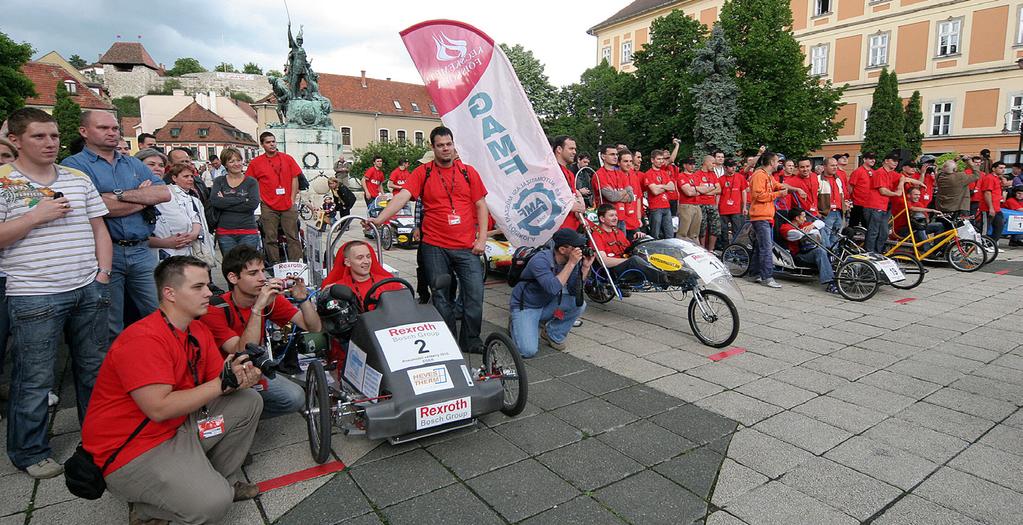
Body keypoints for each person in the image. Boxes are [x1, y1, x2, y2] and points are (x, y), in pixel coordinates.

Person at [81, 256, 263, 524]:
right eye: (198, 287)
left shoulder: (196, 329)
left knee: (248, 400)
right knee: (213, 505)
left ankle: (219, 481)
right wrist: (221, 383)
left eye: (208, 286)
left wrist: (239, 377)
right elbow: (159, 408)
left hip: (176, 426)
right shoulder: (143, 339)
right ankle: (146, 509)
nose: (208, 293)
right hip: (133, 448)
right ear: (170, 293)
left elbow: (218, 382)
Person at [1, 108, 113, 479]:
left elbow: (99, 228)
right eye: (38, 136)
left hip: (87, 287)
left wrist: (102, 273)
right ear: (15, 140)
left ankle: (98, 436)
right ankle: (30, 450)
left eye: (53, 136)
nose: (49, 143)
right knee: (34, 376)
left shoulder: (77, 178)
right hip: (34, 292)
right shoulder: (3, 180)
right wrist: (34, 216)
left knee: (93, 369)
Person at [369, 126, 487, 353]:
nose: (446, 149)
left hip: (466, 246)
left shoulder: (468, 172)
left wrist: (481, 238)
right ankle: (449, 340)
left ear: (454, 145)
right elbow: (402, 197)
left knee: (474, 294)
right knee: (441, 295)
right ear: (433, 148)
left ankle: (471, 339)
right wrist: (379, 219)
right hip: (435, 245)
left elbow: (481, 205)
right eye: (440, 145)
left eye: (449, 144)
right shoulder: (424, 172)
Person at [63, 110, 170, 338]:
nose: (111, 133)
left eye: (115, 129)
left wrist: (116, 195)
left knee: (158, 313)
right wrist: (141, 199)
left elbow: (163, 193)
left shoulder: (132, 163)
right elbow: (97, 207)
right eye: (103, 128)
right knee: (110, 321)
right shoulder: (73, 165)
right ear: (84, 131)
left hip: (141, 250)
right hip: (104, 252)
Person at [198, 245, 316, 414]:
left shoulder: (268, 298)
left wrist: (304, 300)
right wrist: (258, 307)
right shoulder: (215, 309)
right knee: (249, 403)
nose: (262, 278)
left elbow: (313, 327)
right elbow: (242, 353)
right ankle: (238, 415)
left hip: (254, 370)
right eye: (253, 273)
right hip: (224, 376)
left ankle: (247, 413)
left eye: (262, 271)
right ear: (233, 277)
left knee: (296, 397)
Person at [509, 229, 592, 358]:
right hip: (527, 306)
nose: (579, 250)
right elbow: (552, 288)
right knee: (528, 351)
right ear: (562, 250)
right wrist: (571, 263)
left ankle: (553, 333)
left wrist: (585, 267)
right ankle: (516, 322)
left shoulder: (571, 260)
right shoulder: (540, 260)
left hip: (547, 302)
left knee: (579, 304)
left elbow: (573, 290)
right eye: (576, 246)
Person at [246, 131, 303, 264]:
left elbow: (295, 178)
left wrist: (292, 198)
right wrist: (260, 198)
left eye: (273, 141)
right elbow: (250, 183)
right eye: (268, 142)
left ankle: (297, 264)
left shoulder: (287, 158)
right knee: (270, 238)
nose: (272, 144)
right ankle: (275, 265)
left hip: (287, 204)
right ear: (262, 144)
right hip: (268, 206)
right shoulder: (256, 163)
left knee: (293, 236)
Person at [748, 152, 789, 288]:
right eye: (777, 161)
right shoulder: (759, 175)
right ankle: (767, 277)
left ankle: (754, 273)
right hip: (761, 216)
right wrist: (778, 194)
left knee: (760, 246)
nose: (779, 164)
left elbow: (776, 185)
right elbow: (758, 195)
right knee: (766, 247)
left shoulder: (768, 175)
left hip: (766, 216)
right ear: (771, 163)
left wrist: (790, 188)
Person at [210, 147, 261, 254]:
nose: (236, 164)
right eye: (231, 161)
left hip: (248, 231)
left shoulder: (251, 182)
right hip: (225, 232)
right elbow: (215, 201)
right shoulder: (219, 181)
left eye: (238, 160)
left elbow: (253, 204)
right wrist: (242, 199)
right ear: (225, 164)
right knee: (231, 267)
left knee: (248, 266)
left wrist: (225, 200)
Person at [322, 240, 403, 306]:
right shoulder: (338, 290)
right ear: (347, 262)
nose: (366, 261)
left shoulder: (390, 283)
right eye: (360, 258)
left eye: (368, 256)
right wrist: (325, 296)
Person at [151, 164, 204, 260]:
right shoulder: (166, 193)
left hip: (188, 247)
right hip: (166, 248)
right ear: (174, 178)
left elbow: (195, 218)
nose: (190, 179)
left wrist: (192, 234)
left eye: (192, 176)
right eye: (185, 176)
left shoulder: (190, 196)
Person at [779, 209, 838, 293]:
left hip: (810, 250)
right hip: (798, 255)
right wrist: (813, 230)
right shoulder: (785, 227)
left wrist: (812, 225)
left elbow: (821, 223)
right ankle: (830, 282)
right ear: (796, 218)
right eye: (803, 217)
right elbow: (796, 235)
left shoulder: (804, 225)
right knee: (820, 251)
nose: (805, 219)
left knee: (822, 233)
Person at [592, 145, 633, 231]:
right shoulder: (599, 174)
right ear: (603, 156)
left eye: (616, 154)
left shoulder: (621, 173)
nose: (615, 157)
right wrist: (625, 191)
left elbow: (630, 197)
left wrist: (616, 196)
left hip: (621, 218)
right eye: (612, 154)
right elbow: (611, 197)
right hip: (607, 220)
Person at [552, 136, 587, 232]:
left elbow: (573, 196)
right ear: (559, 149)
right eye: (571, 148)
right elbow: (547, 198)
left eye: (575, 149)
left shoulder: (570, 173)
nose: (574, 152)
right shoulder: (551, 171)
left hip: (573, 226)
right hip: (559, 229)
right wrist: (569, 206)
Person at [644, 149, 676, 239]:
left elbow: (672, 187)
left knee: (670, 234)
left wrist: (659, 186)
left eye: (662, 159)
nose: (661, 161)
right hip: (655, 207)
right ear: (652, 160)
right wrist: (665, 187)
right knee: (655, 234)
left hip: (666, 206)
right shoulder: (648, 174)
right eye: (658, 159)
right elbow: (654, 191)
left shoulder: (664, 173)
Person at [693, 155, 721, 250]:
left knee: (715, 226)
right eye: (713, 163)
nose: (714, 165)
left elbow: (719, 189)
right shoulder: (697, 174)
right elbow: (698, 190)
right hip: (701, 204)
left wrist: (706, 191)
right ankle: (702, 248)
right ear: (706, 162)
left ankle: (711, 250)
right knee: (702, 227)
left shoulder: (713, 175)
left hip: (712, 204)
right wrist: (711, 188)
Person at [718, 159, 748, 243]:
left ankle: (737, 248)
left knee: (737, 230)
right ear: (725, 167)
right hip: (723, 209)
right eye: (731, 166)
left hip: (736, 209)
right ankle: (725, 248)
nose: (733, 168)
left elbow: (744, 191)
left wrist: (744, 207)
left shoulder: (740, 177)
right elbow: (718, 195)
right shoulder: (720, 179)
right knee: (723, 231)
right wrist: (716, 207)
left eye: (734, 166)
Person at [819, 157, 847, 247]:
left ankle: (833, 257)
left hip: (839, 212)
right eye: (832, 165)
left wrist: (845, 206)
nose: (835, 167)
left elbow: (841, 194)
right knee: (825, 236)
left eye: (836, 165)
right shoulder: (818, 179)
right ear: (825, 167)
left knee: (836, 237)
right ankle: (827, 257)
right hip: (827, 212)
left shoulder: (838, 179)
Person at [979, 161, 1005, 245]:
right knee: (985, 228)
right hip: (988, 208)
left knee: (999, 227)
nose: (1003, 170)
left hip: (997, 207)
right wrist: (991, 208)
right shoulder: (989, 177)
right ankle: (982, 245)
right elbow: (987, 193)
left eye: (1004, 168)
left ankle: (991, 244)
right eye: (1000, 168)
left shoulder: (997, 178)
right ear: (994, 169)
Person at [847, 152, 876, 228]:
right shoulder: (858, 171)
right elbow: (850, 186)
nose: (873, 160)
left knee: (866, 225)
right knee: (854, 224)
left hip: (869, 204)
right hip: (858, 203)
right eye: (870, 158)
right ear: (864, 159)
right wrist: (850, 199)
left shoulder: (874, 172)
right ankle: (850, 238)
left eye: (873, 159)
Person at [620, 151, 645, 239]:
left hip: (633, 220)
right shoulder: (617, 176)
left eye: (630, 161)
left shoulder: (634, 175)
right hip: (621, 220)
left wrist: (638, 218)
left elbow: (638, 197)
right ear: (619, 163)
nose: (629, 164)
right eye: (625, 161)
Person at [675, 158, 701, 243]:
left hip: (697, 205)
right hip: (686, 206)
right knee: (683, 233)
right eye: (690, 164)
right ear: (684, 165)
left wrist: (696, 190)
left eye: (694, 164)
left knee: (695, 234)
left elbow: (705, 190)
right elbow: (688, 192)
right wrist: (698, 190)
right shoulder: (681, 176)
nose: (693, 166)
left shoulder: (696, 176)